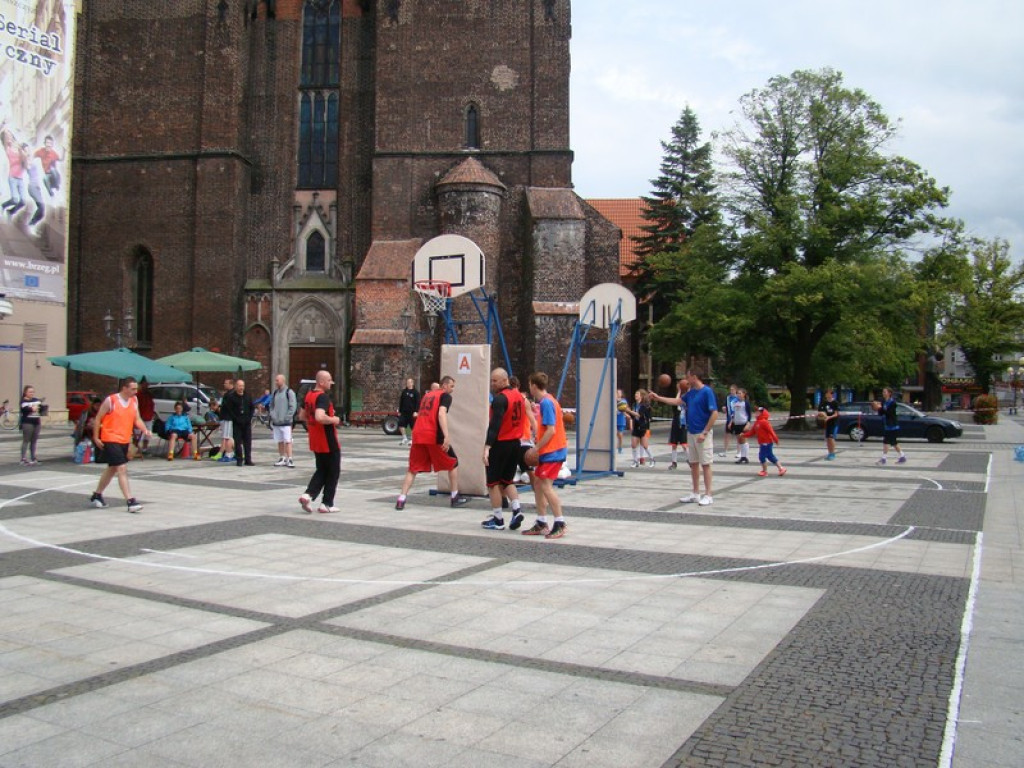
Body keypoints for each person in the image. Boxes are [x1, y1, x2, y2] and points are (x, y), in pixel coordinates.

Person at [395, 375, 468, 509]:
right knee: (453, 462)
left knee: (413, 468)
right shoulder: (445, 396)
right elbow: (441, 414)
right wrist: (446, 436)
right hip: (433, 435)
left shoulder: (427, 396)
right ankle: (454, 496)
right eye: (451, 386)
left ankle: (401, 498)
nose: (452, 390)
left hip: (418, 434)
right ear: (444, 385)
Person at [90, 377, 151, 513]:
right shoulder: (111, 400)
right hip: (110, 438)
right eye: (133, 389)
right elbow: (98, 417)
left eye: (136, 389)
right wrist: (96, 437)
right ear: (124, 388)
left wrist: (144, 429)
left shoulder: (134, 401)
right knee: (121, 468)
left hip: (124, 439)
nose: (135, 392)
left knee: (112, 468)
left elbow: (137, 418)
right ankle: (130, 501)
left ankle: (97, 495)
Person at [522, 372, 568, 539]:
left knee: (546, 487)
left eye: (529, 385)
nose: (529, 388)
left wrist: (536, 448)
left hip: (553, 451)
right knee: (539, 486)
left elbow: (551, 430)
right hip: (549, 451)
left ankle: (560, 522)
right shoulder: (547, 401)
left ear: (534, 386)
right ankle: (541, 522)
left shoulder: (547, 403)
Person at [481, 367, 527, 531]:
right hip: (515, 443)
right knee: (507, 480)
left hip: (501, 444)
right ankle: (516, 510)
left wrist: (487, 447)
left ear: (504, 380)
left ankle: (498, 519)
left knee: (493, 483)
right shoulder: (519, 396)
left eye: (495, 380)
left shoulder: (500, 399)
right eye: (491, 380)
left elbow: (494, 425)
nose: (492, 384)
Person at [299, 370, 342, 514]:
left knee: (322, 469)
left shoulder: (309, 395)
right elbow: (319, 416)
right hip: (327, 439)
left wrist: (313, 424)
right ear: (321, 382)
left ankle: (308, 495)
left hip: (315, 438)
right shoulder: (322, 397)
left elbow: (302, 415)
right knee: (333, 471)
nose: (331, 383)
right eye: (329, 380)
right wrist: (333, 419)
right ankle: (327, 503)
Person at [679, 370, 718, 506]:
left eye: (687, 377)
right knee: (694, 463)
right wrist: (658, 398)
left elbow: (714, 413)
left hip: (702, 433)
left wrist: (705, 432)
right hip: (691, 432)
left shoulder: (706, 392)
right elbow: (678, 401)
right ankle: (696, 493)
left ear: (694, 377)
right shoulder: (691, 393)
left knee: (706, 463)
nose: (686, 380)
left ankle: (708, 494)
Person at [743, 406, 787, 477]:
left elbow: (771, 431)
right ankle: (781, 468)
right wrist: (744, 435)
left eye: (759, 412)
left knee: (762, 456)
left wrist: (776, 440)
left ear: (763, 413)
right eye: (757, 411)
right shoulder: (757, 422)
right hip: (763, 443)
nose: (756, 413)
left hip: (766, 443)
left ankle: (765, 471)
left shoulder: (764, 422)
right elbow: (752, 432)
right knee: (770, 456)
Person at [220, 378, 255, 466]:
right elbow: (229, 409)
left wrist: (249, 418)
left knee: (247, 442)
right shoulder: (232, 397)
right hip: (237, 423)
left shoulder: (248, 396)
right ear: (236, 386)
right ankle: (239, 459)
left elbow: (252, 407)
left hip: (246, 422)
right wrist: (235, 418)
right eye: (239, 386)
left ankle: (248, 459)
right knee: (238, 442)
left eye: (242, 386)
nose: (241, 388)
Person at [269, 374, 297, 467]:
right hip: (276, 422)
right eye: (276, 380)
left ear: (283, 380)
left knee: (288, 440)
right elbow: (271, 405)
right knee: (279, 440)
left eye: (277, 380)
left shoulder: (289, 392)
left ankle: (290, 458)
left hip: (286, 422)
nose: (276, 382)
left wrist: (287, 417)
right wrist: (273, 415)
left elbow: (292, 406)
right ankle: (282, 457)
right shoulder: (275, 393)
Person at [624, 389, 654, 468]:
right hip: (637, 426)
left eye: (637, 394)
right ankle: (635, 461)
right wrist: (626, 413)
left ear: (641, 395)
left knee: (645, 445)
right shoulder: (634, 405)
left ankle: (652, 459)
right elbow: (633, 416)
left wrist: (629, 411)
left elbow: (639, 415)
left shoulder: (644, 405)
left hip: (645, 427)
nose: (635, 395)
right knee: (633, 445)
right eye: (635, 394)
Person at [877, 387, 907, 465]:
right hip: (886, 424)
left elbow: (889, 413)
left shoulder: (893, 403)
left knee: (886, 441)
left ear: (889, 393)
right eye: (883, 392)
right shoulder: (883, 401)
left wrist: (881, 408)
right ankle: (902, 456)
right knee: (893, 442)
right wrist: (878, 408)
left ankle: (884, 459)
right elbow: (881, 413)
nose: (883, 393)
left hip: (892, 425)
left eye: (885, 392)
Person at [664, 379, 689, 469]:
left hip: (683, 424)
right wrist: (679, 391)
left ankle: (689, 459)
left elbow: (687, 397)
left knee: (684, 444)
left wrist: (687, 388)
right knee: (674, 444)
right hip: (675, 423)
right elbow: (676, 400)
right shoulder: (677, 402)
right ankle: (674, 462)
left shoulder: (687, 401)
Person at [19, 385, 43, 465]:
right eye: (30, 392)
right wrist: (33, 408)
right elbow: (27, 410)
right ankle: (23, 458)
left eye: (33, 392)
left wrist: (41, 408)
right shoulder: (23, 401)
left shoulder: (36, 400)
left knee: (34, 441)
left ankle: (33, 457)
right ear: (25, 392)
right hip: (27, 422)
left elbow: (40, 408)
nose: (32, 393)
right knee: (26, 440)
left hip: (36, 422)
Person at [216, 377, 235, 462]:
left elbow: (229, 406)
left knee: (228, 437)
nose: (224, 384)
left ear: (231, 384)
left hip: (228, 418)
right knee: (226, 436)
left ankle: (229, 453)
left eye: (226, 383)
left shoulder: (231, 394)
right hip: (225, 417)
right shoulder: (228, 394)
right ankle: (229, 453)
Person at [818, 388, 840, 461]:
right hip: (827, 423)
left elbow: (836, 414)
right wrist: (822, 415)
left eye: (828, 393)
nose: (827, 394)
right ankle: (829, 453)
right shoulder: (823, 402)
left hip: (834, 422)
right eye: (826, 393)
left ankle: (832, 453)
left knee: (831, 438)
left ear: (831, 394)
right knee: (827, 439)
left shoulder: (835, 403)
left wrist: (829, 417)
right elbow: (820, 412)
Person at [731, 388, 752, 464]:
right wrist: (731, 422)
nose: (738, 395)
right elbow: (734, 414)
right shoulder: (735, 403)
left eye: (740, 393)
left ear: (744, 394)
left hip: (743, 423)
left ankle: (745, 456)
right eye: (737, 393)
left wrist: (748, 423)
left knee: (743, 439)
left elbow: (749, 414)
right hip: (737, 423)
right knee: (739, 440)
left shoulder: (746, 403)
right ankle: (742, 456)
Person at [136, 379, 156, 454]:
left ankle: (145, 448)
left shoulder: (149, 394)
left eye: (147, 384)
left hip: (149, 417)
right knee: (138, 434)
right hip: (140, 417)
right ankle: (136, 448)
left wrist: (152, 414)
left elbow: (152, 405)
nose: (146, 386)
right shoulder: (138, 395)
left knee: (147, 434)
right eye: (145, 384)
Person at [397, 377, 419, 446]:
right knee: (401, 424)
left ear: (412, 383)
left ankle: (412, 440)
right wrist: (399, 410)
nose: (408, 384)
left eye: (409, 382)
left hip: (412, 412)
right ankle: (404, 438)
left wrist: (416, 411)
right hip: (404, 412)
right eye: (407, 382)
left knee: (413, 426)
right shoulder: (404, 391)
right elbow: (401, 401)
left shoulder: (416, 392)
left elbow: (418, 402)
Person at [722, 384, 740, 458]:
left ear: (736, 390)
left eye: (732, 390)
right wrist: (724, 408)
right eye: (730, 390)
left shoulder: (738, 398)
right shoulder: (728, 398)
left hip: (736, 419)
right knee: (727, 435)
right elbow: (725, 407)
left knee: (738, 435)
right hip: (729, 418)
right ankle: (725, 451)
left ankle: (739, 452)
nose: (731, 391)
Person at [615, 388, 629, 455]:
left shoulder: (623, 401)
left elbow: (625, 409)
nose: (618, 394)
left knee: (620, 435)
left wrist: (626, 414)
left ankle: (620, 447)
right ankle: (614, 447)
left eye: (619, 393)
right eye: (617, 393)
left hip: (621, 420)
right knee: (614, 434)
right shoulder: (613, 401)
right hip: (614, 421)